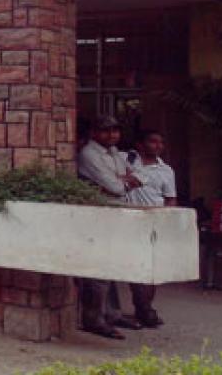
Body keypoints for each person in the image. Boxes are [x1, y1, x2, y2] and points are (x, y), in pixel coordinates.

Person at [76, 115, 143, 339]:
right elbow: (116, 186)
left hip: (116, 212)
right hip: (99, 214)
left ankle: (111, 313)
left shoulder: (115, 153)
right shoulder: (89, 154)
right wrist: (123, 182)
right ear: (94, 132)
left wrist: (122, 181)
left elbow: (138, 178)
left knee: (112, 265)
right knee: (98, 267)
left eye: (115, 130)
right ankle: (93, 319)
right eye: (106, 131)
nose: (112, 135)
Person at [124, 129, 177, 327]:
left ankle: (145, 308)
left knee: (150, 267)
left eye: (160, 142)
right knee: (134, 265)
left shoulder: (166, 171)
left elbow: (170, 199)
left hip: (153, 221)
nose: (158, 146)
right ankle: (142, 307)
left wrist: (167, 222)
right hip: (129, 219)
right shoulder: (127, 159)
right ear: (140, 144)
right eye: (152, 141)